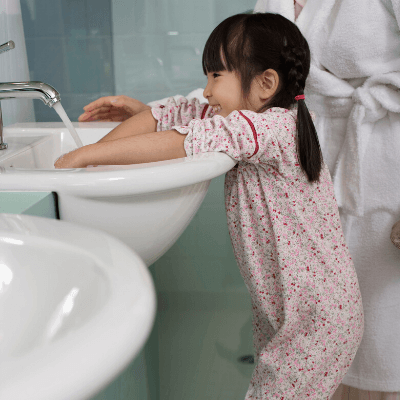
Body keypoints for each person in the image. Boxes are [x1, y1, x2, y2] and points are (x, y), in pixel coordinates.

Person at [55, 12, 364, 399]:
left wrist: (85, 156)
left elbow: (181, 139)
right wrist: (107, 147)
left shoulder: (273, 128)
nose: (205, 91)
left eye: (216, 76)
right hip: (289, 310)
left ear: (265, 83)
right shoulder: (251, 118)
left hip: (316, 319)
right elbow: (171, 115)